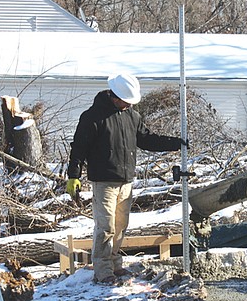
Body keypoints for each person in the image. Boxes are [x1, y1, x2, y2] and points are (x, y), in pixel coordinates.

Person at [66, 73, 185, 284]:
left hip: (126, 180)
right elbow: (79, 148)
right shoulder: (93, 117)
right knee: (105, 226)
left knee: (120, 225)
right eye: (127, 101)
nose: (129, 105)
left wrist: (176, 143)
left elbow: (147, 139)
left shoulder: (132, 116)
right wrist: (73, 175)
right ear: (115, 96)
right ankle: (102, 269)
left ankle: (114, 262)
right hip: (104, 181)